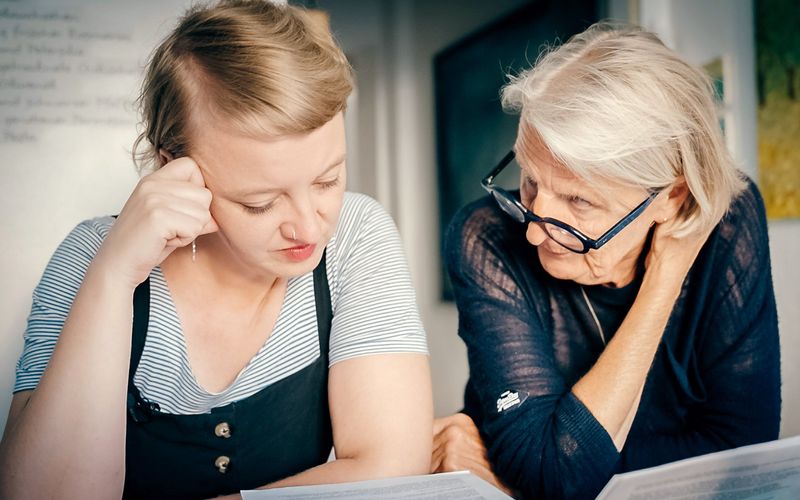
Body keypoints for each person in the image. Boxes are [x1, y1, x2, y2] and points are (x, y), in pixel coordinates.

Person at [0, 2, 432, 499]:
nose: (310, 226)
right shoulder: (91, 256)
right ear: (173, 169)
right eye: (259, 203)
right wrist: (115, 275)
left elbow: (393, 467)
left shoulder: (355, 235)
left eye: (327, 179)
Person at [431, 23, 780, 499]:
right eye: (531, 181)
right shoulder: (486, 237)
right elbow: (548, 470)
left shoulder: (729, 221)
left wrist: (666, 275)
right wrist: (547, 470)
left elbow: (743, 452)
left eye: (578, 202)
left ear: (672, 196)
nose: (534, 229)